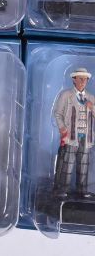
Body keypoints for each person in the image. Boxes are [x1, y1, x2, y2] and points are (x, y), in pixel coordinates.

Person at [53, 67, 95, 199]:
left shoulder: (91, 98)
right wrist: (62, 128)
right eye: (80, 78)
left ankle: (82, 190)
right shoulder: (66, 95)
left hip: (86, 137)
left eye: (85, 79)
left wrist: (92, 107)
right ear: (74, 80)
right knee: (67, 163)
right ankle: (62, 190)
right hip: (71, 136)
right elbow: (58, 114)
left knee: (83, 164)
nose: (83, 81)